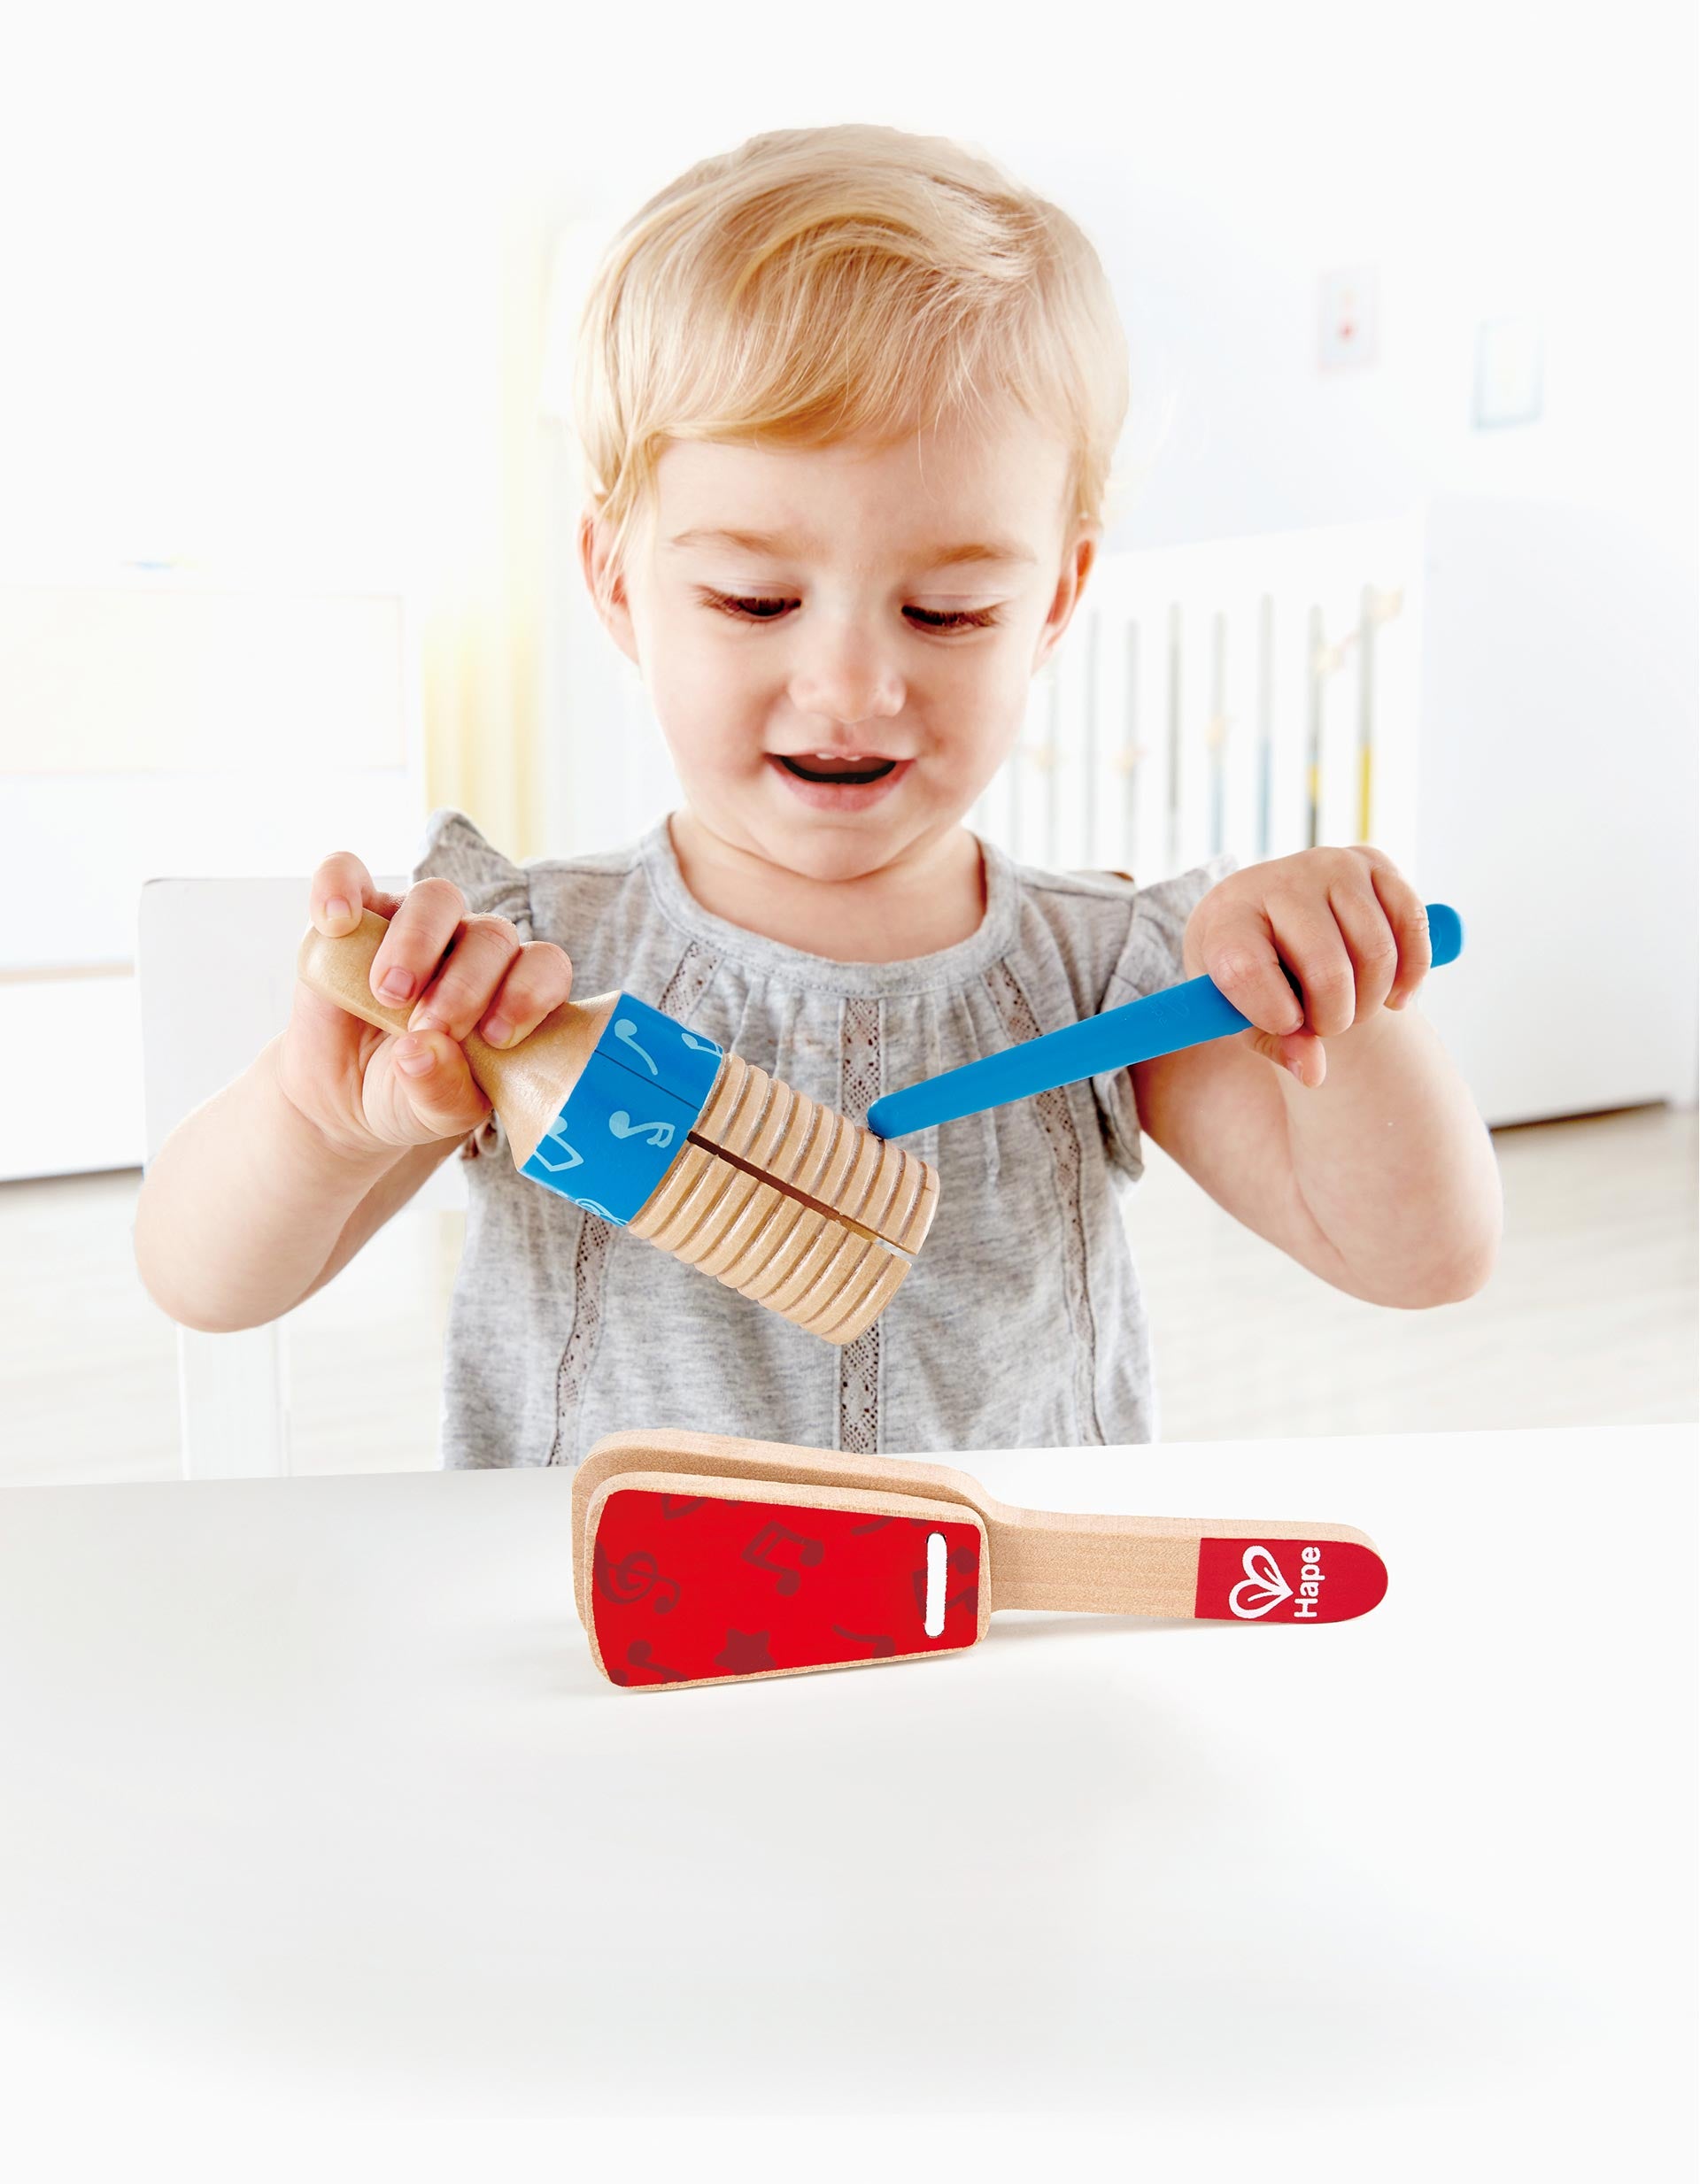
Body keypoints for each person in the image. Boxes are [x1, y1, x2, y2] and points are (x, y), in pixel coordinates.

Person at [135, 123, 1503, 1468]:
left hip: (992, 1638)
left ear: (1058, 601)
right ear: (618, 582)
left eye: (948, 611)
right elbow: (203, 1281)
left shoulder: (1109, 982)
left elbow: (1425, 1260)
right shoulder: (525, 983)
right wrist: (321, 1122)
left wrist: (1349, 995)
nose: (851, 688)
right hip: (613, 1652)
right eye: (755, 598)